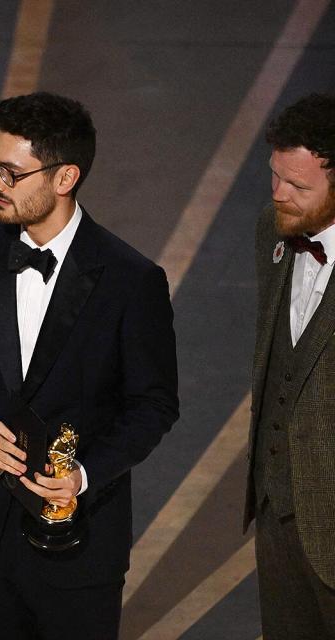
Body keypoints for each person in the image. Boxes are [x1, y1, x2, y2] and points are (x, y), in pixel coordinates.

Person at [0, 92, 178, 639]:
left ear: (64, 178)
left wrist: (84, 474)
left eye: (11, 173)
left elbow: (152, 405)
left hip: (80, 549)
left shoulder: (131, 280)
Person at [244, 92, 335, 639]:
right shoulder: (270, 232)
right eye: (275, 176)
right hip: (279, 513)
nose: (279, 195)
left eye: (298, 186)